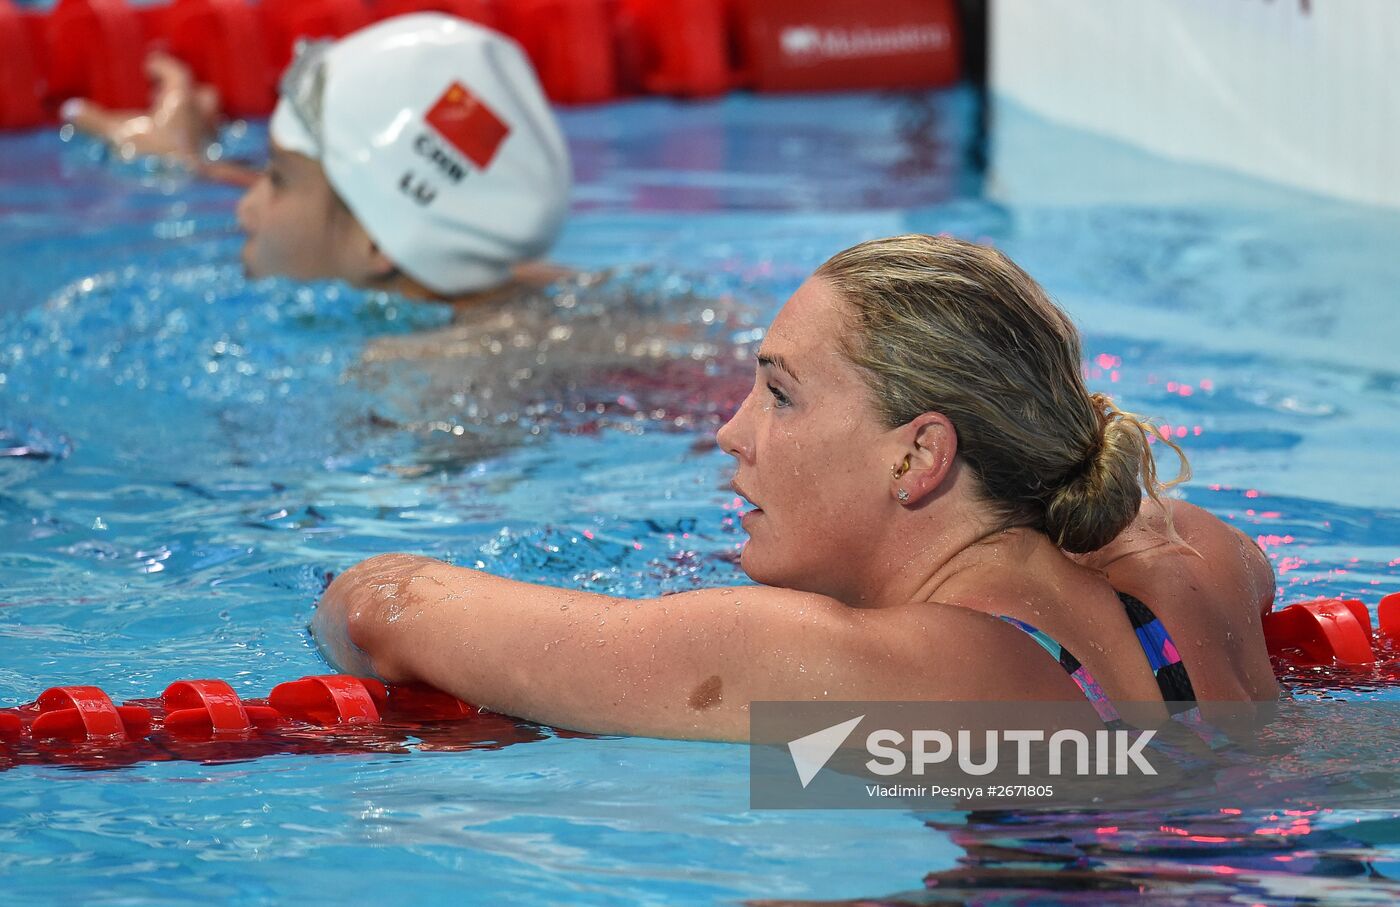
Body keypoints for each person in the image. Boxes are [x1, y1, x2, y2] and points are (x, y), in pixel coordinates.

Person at [311, 234, 1279, 741]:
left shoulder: (850, 665)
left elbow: (381, 610)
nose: (729, 432)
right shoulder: (1191, 561)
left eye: (777, 393)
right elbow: (1252, 569)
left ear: (916, 456)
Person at [65, 14, 571, 312]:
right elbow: (350, 198)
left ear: (381, 242)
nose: (245, 210)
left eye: (276, 179)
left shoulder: (418, 388)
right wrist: (188, 165)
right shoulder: (498, 273)